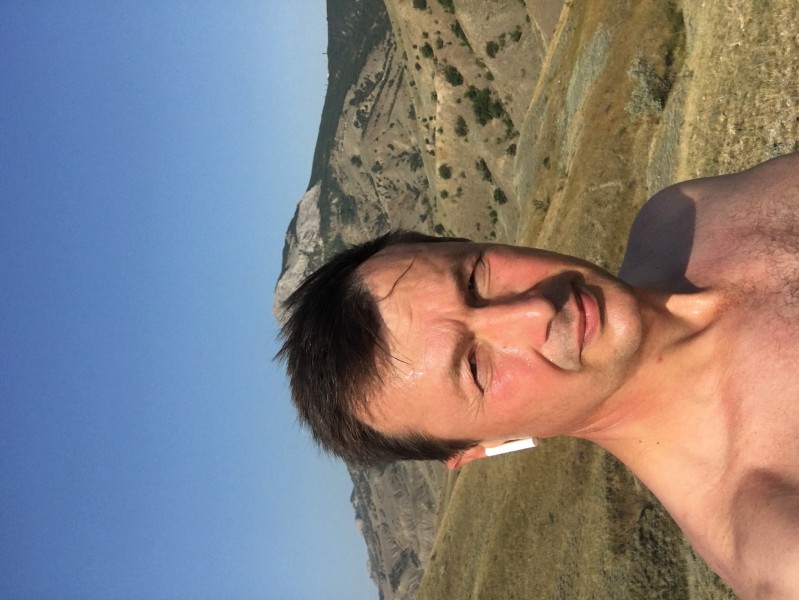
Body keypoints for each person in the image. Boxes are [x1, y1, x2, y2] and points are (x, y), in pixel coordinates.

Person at [277, 153, 799, 598]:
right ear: (485, 446)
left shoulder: (676, 216)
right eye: (475, 367)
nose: (534, 311)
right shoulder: (770, 529)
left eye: (475, 277)